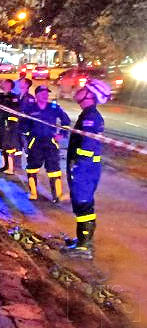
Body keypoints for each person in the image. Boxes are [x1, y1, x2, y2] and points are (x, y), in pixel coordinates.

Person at [63, 79, 111, 259]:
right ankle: (82, 240)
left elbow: (88, 145)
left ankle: (84, 247)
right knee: (82, 204)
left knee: (83, 204)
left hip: (85, 168)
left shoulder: (91, 116)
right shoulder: (88, 114)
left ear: (90, 95)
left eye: (84, 89)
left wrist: (78, 165)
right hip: (85, 167)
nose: (79, 90)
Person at [20, 85, 71, 203]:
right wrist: (27, 136)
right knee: (32, 168)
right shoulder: (30, 108)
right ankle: (33, 193)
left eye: (47, 93)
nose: (46, 95)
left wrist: (62, 134)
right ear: (37, 95)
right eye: (43, 93)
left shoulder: (54, 107)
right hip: (35, 143)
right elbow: (22, 125)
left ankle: (57, 196)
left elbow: (66, 121)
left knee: (54, 169)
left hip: (50, 142)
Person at [0, 79, 21, 174]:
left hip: (8, 125)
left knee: (8, 145)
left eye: (5, 83)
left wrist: (10, 124)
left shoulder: (13, 97)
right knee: (1, 144)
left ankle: (11, 168)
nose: (2, 83)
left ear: (10, 86)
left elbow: (15, 111)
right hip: (0, 123)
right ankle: (4, 165)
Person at [15, 76, 35, 165]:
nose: (19, 82)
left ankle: (31, 166)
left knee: (27, 147)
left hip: (26, 127)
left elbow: (30, 112)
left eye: (22, 82)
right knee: (17, 147)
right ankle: (17, 166)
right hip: (17, 125)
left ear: (26, 85)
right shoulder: (17, 96)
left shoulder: (30, 98)